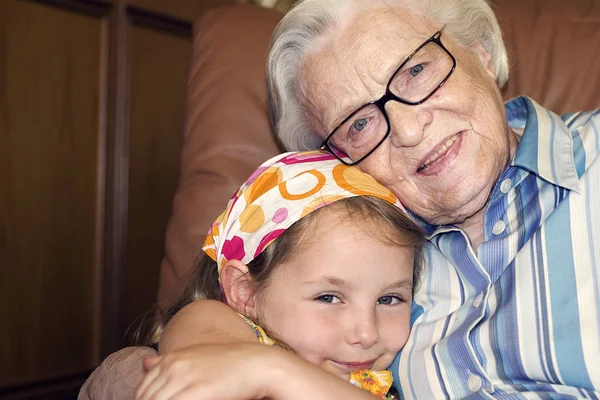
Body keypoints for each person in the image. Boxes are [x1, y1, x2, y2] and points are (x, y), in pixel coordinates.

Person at [81, 0, 600, 398]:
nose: (410, 129)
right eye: (359, 122)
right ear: (336, 160)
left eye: (416, 71)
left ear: (482, 56)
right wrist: (133, 374)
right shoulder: (361, 247)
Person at [134, 150, 425, 400]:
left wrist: (274, 372)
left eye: (388, 299)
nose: (366, 333)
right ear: (245, 292)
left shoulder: (390, 371)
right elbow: (216, 370)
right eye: (329, 297)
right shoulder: (212, 320)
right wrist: (270, 368)